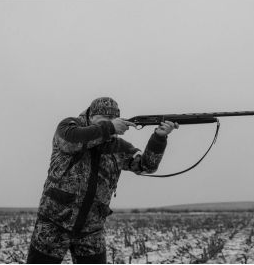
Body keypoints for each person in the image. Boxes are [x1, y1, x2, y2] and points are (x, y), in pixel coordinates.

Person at [27, 97, 178, 264]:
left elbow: (146, 166)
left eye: (112, 120)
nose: (107, 125)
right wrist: (109, 127)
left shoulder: (119, 146)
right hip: (53, 225)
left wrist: (159, 138)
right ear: (90, 117)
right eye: (102, 120)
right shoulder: (68, 128)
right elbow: (72, 141)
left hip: (92, 231)